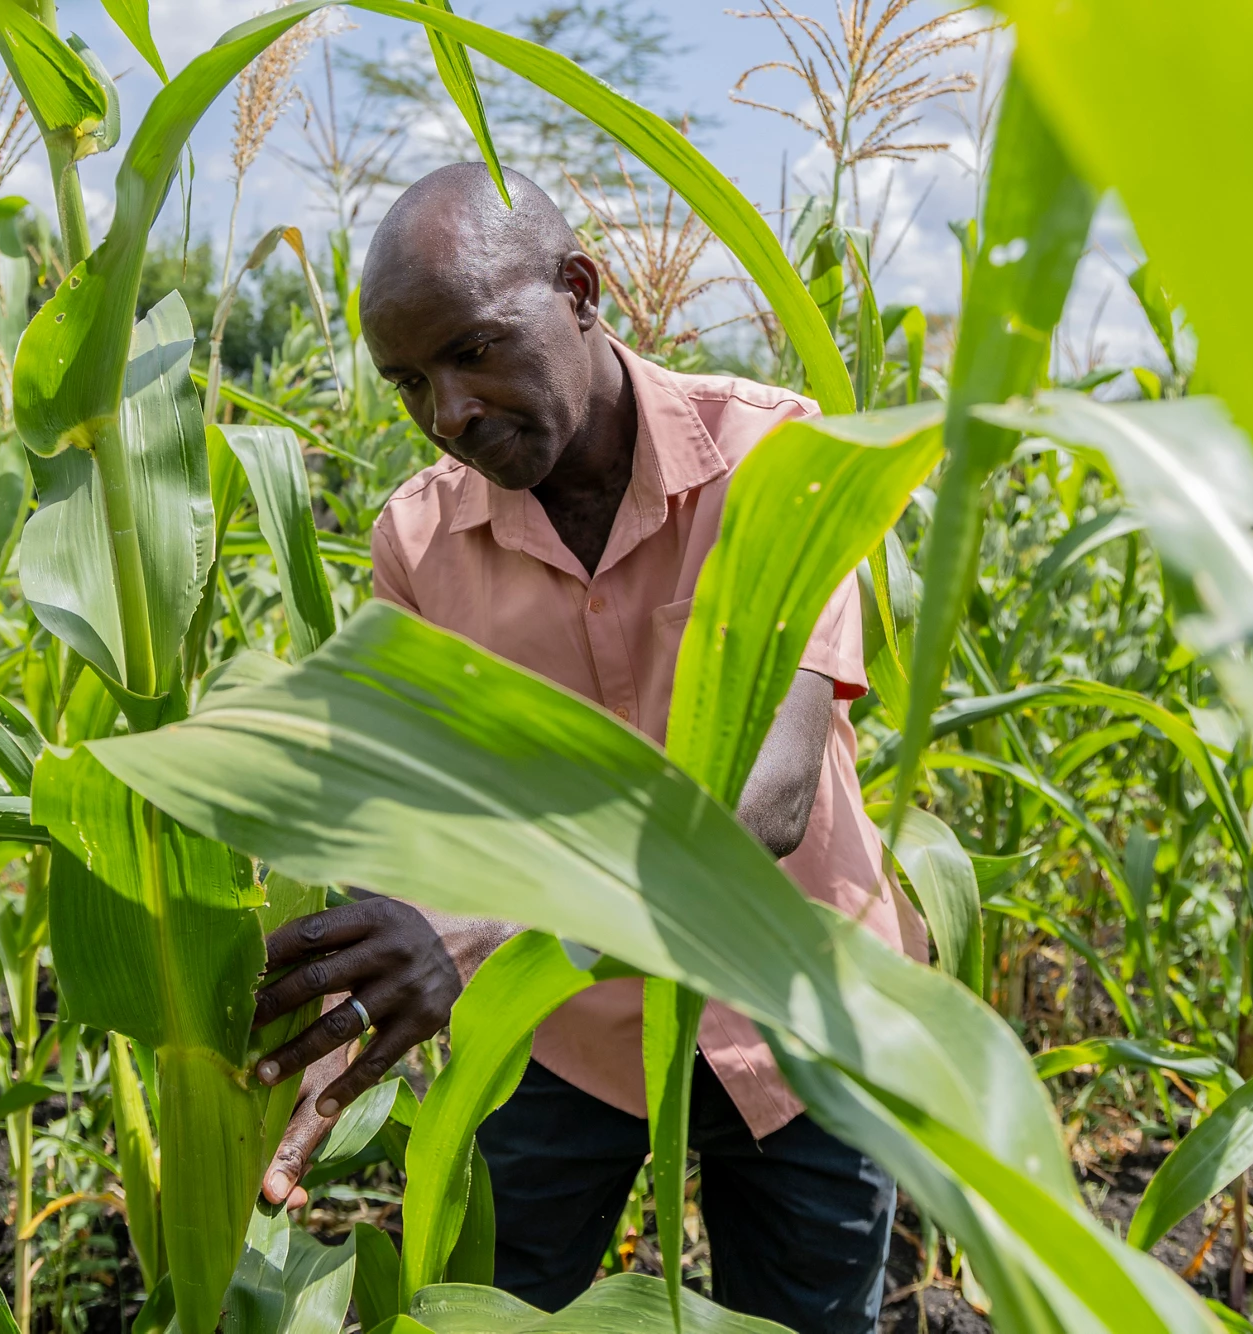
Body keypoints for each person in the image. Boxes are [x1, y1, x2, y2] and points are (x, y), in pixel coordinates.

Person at [241, 163, 928, 1334]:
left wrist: (486, 935)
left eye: (472, 349)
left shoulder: (775, 459)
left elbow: (762, 800)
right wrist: (355, 987)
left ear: (579, 290)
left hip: (799, 1017)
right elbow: (422, 811)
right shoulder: (416, 540)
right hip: (568, 1043)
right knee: (504, 1313)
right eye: (409, 382)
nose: (447, 412)